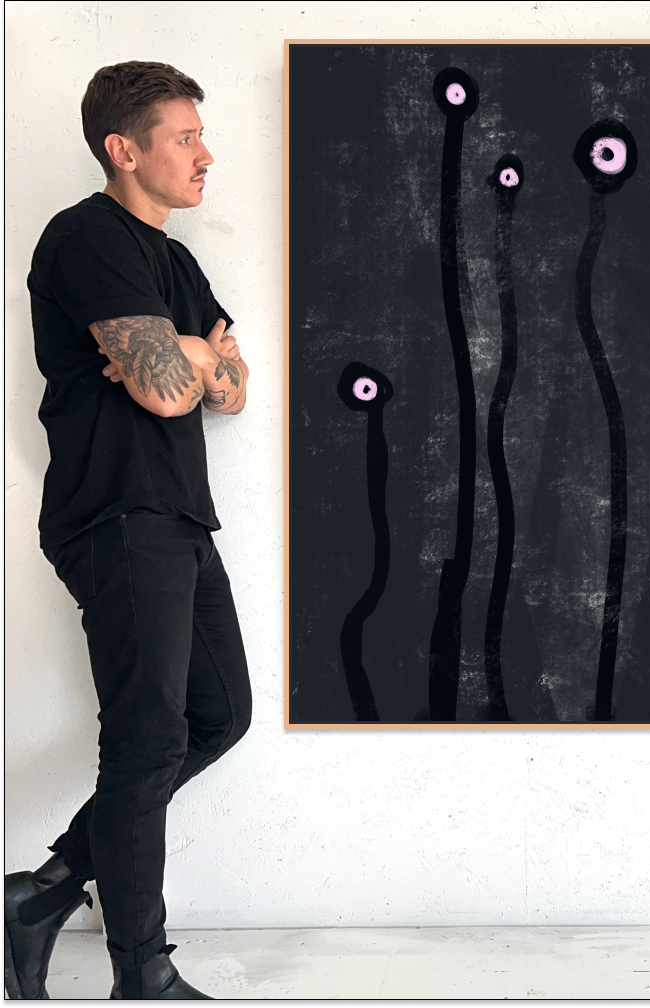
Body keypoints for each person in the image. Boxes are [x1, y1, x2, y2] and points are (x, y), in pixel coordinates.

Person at [4, 61, 252, 1002]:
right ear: (124, 149)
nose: (204, 154)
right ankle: (141, 972)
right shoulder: (85, 239)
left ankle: (46, 889)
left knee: (218, 716)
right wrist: (186, 360)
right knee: (146, 738)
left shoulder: (176, 263)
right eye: (185, 137)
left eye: (200, 135)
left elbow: (230, 390)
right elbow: (167, 390)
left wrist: (189, 357)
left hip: (179, 514)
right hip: (114, 513)